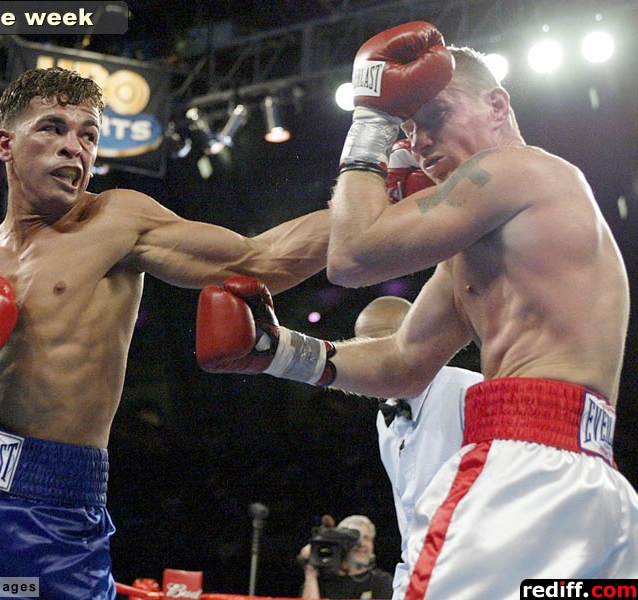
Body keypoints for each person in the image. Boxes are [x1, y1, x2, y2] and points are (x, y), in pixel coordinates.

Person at [0, 67, 330, 599]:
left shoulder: (116, 221)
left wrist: (370, 197)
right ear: (5, 143)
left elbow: (262, 260)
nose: (75, 147)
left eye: (88, 135)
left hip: (47, 511)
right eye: (53, 128)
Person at [195, 20, 638, 599]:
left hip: (524, 466)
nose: (420, 140)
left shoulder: (516, 170)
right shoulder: (480, 248)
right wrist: (277, 351)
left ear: (497, 105)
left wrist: (371, 121)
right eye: (407, 128)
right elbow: (404, 364)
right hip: (595, 482)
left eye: (435, 116)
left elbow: (351, 256)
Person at [355, 297, 482, 597]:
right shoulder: (385, 417)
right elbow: (408, 512)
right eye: (364, 349)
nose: (373, 360)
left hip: (477, 572)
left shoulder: (471, 391)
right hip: (420, 573)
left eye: (384, 345)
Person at [299, 515, 393, 600]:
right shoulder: (322, 581)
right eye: (355, 538)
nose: (361, 544)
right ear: (339, 543)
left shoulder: (382, 582)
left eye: (366, 538)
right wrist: (310, 573)